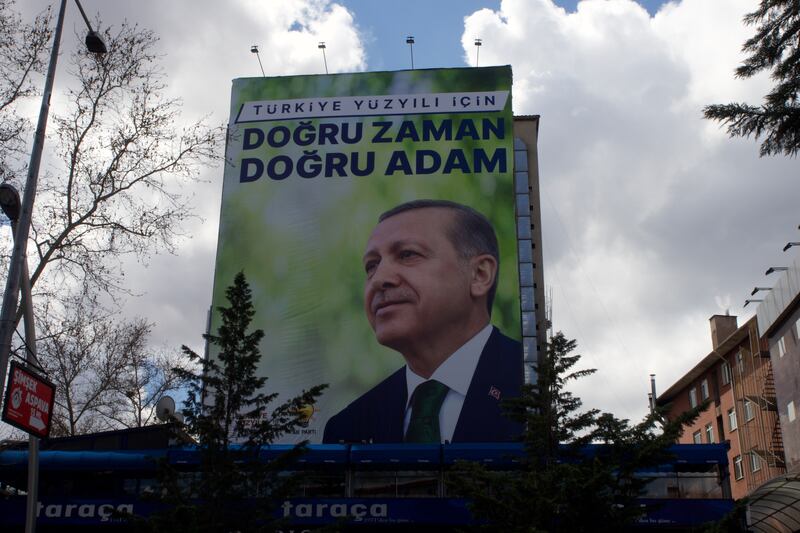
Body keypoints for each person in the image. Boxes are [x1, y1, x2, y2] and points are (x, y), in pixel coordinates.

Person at [322, 199, 523, 444]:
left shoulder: (540, 383)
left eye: (407, 254)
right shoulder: (347, 428)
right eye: (371, 266)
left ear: (480, 274)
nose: (378, 279)